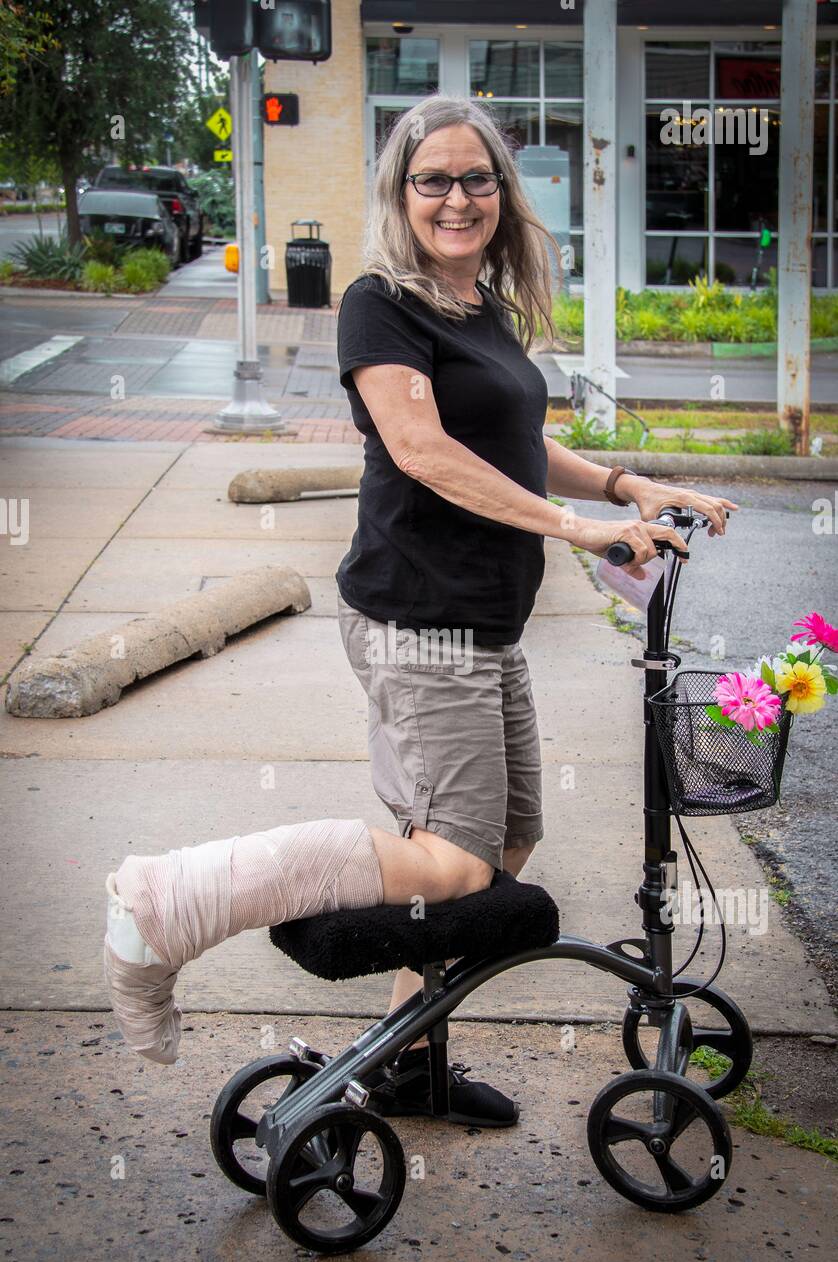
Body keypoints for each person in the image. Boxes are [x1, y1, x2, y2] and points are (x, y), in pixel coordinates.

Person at [103, 93, 736, 1127]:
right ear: (401, 194)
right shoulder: (378, 303)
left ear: (500, 193)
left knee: (507, 846)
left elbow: (509, 444)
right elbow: (425, 452)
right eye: (432, 178)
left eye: (475, 178)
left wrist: (626, 488)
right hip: (417, 619)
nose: (456, 197)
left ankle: (403, 1058)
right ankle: (168, 899)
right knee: (452, 858)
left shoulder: (477, 304)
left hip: (487, 623)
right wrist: (574, 533)